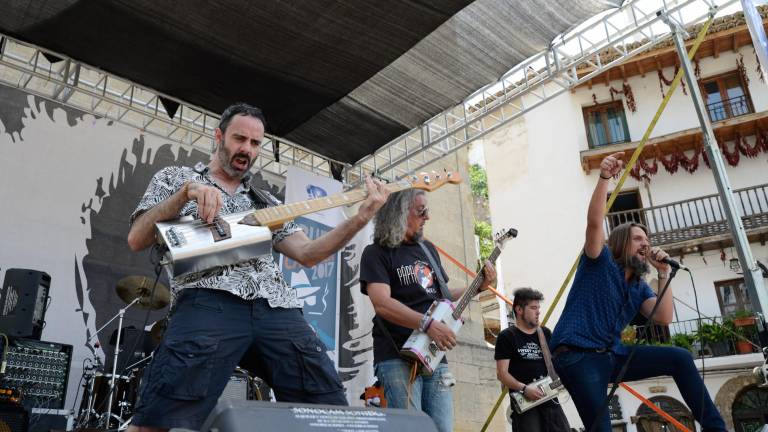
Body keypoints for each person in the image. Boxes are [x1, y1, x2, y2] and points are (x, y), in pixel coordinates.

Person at [126, 102, 389, 431]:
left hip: (277, 307)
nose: (246, 150)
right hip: (207, 299)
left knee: (329, 410)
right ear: (219, 136)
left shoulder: (267, 202)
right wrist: (185, 196)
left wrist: (361, 217)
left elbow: (308, 253)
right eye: (239, 139)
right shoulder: (177, 178)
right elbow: (137, 238)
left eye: (255, 144)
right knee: (159, 415)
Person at [549, 152, 726, 432]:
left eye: (647, 239)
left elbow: (664, 317)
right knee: (601, 427)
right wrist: (605, 177)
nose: (646, 243)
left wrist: (664, 273)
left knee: (679, 358)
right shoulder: (600, 259)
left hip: (612, 354)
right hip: (577, 354)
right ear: (621, 242)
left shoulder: (640, 286)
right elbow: (595, 223)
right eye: (638, 239)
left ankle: (716, 429)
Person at [359, 189, 496, 432]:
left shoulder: (427, 249)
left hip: (433, 357)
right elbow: (381, 303)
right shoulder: (376, 253)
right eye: (421, 211)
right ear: (399, 215)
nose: (428, 217)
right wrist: (428, 325)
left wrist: (477, 287)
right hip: (396, 355)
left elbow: (442, 294)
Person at [494, 288, 569, 432]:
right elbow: (502, 374)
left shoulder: (545, 333)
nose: (538, 312)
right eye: (533, 308)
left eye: (538, 308)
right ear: (519, 310)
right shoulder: (507, 336)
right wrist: (524, 388)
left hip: (551, 401)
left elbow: (556, 364)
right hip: (526, 406)